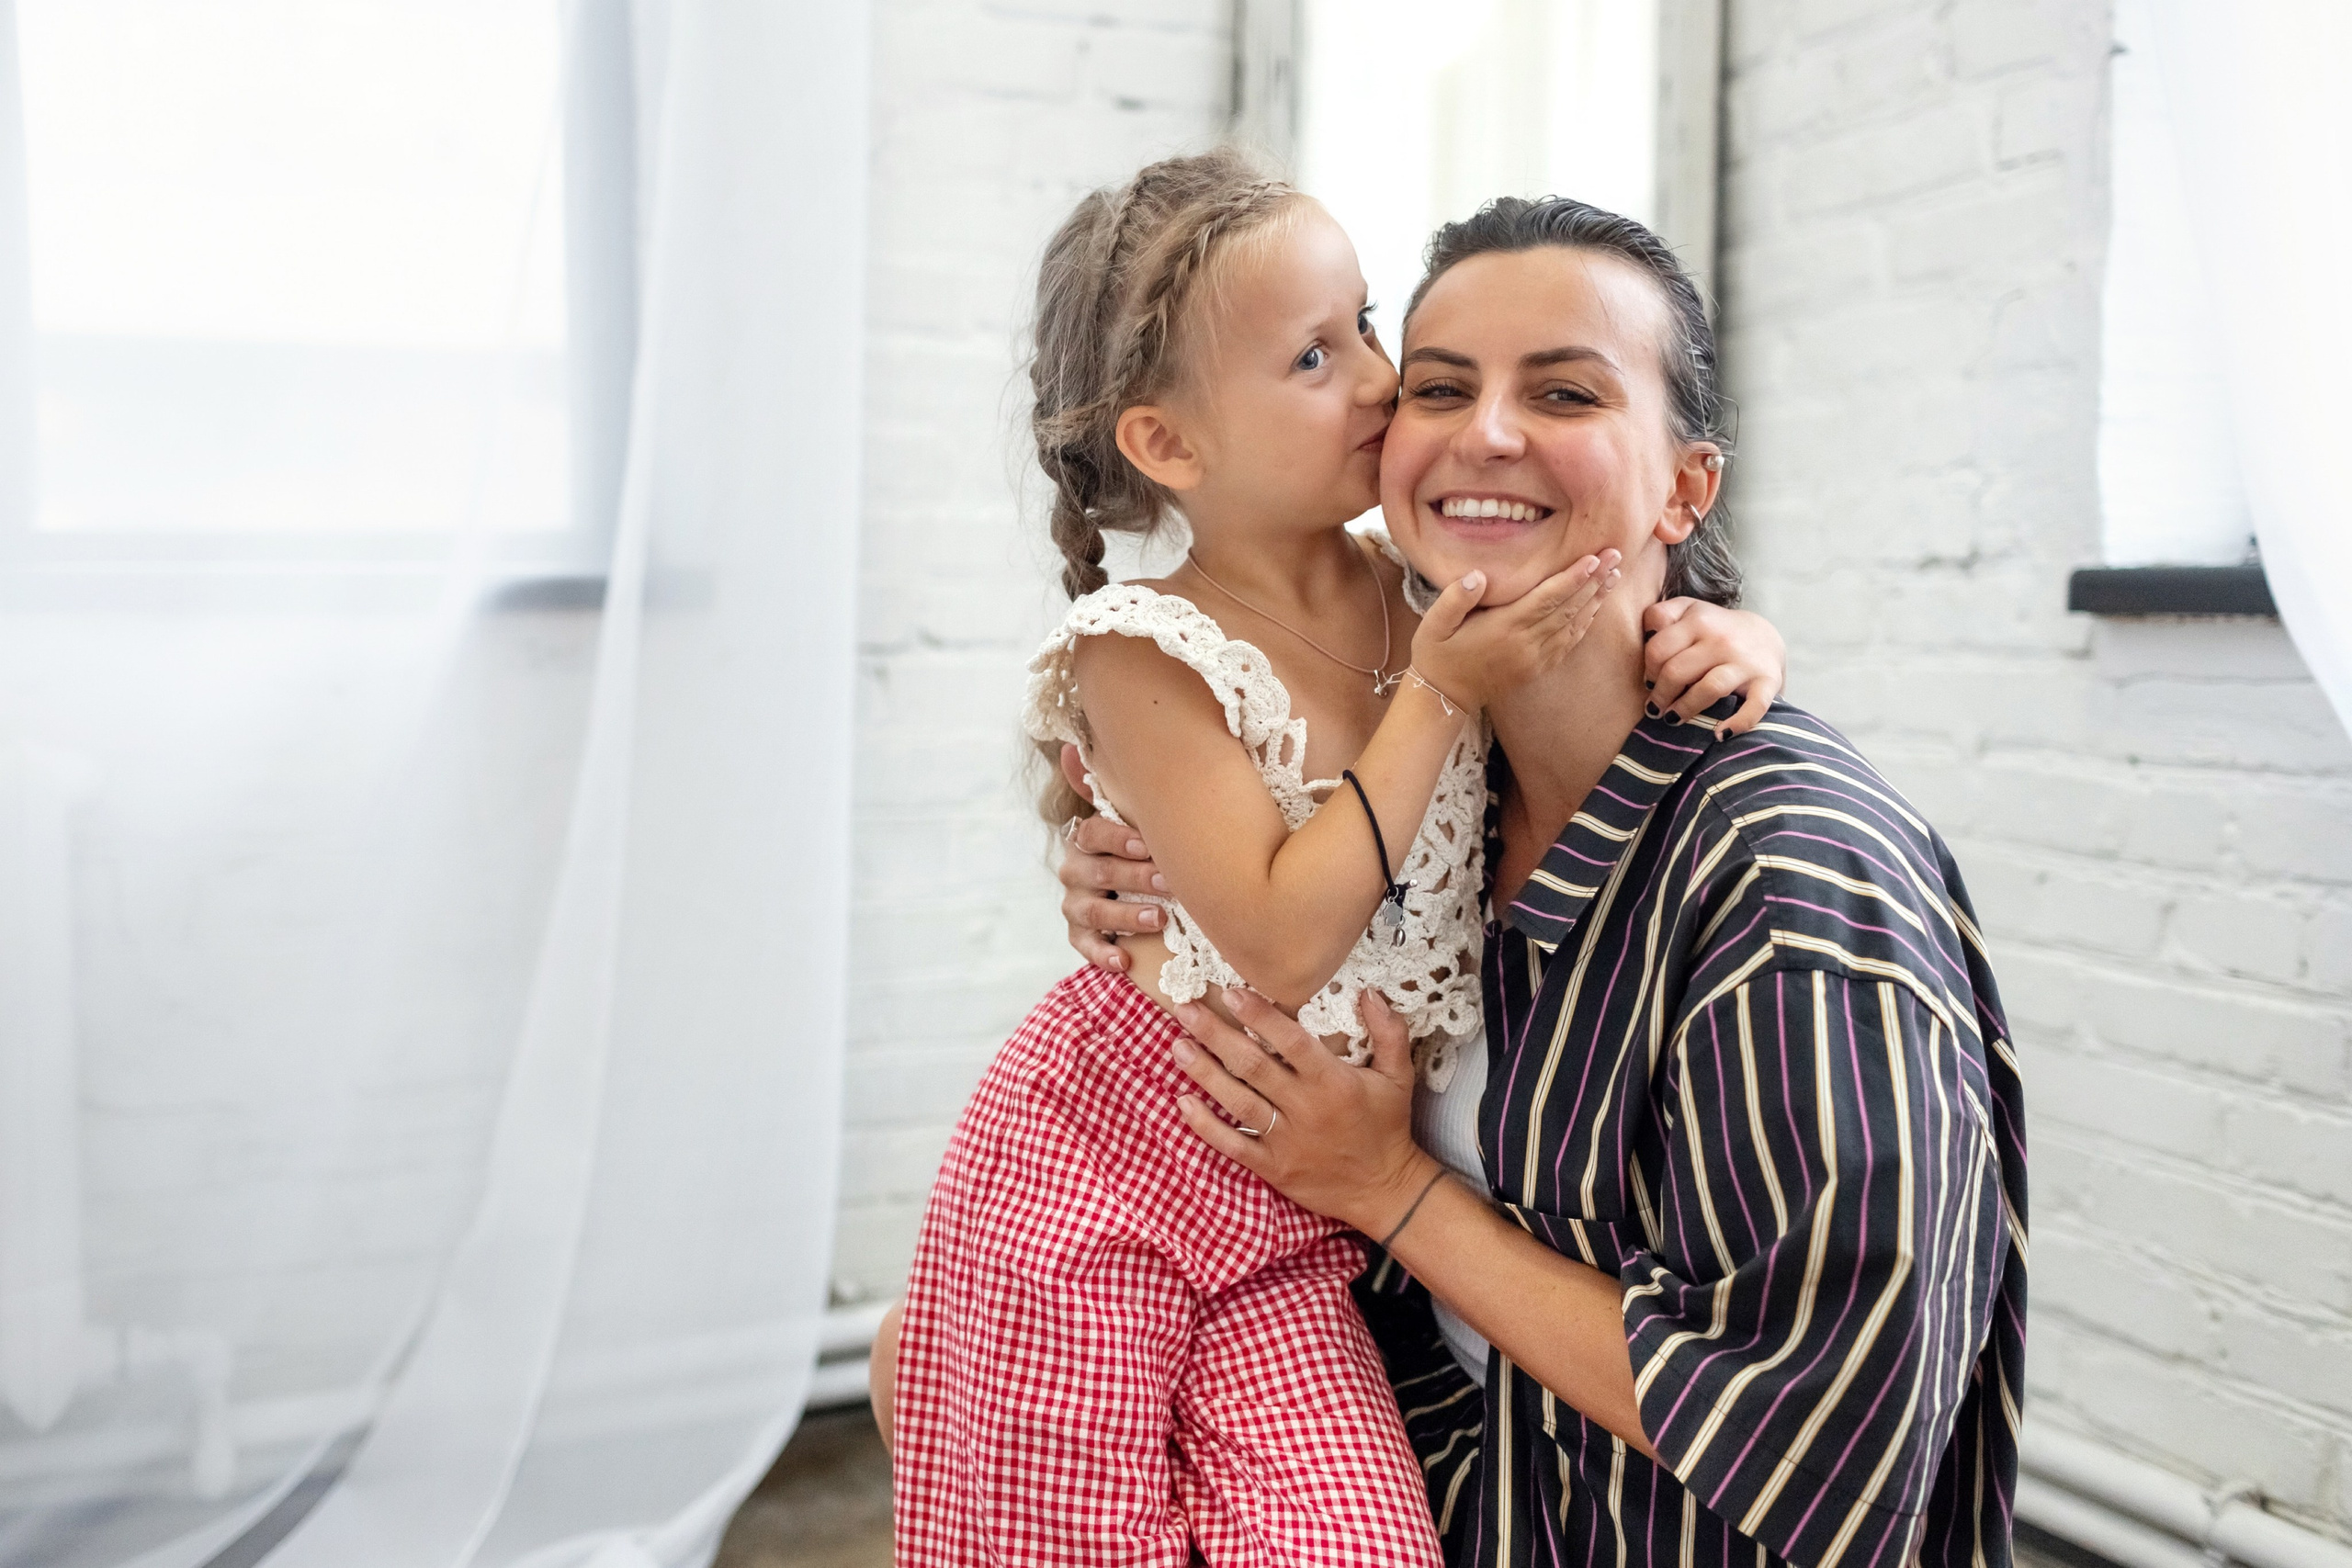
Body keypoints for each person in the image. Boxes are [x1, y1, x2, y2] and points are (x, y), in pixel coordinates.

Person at [1055, 197, 2028, 1568]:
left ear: (1688, 487)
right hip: (1426, 1465)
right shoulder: (1445, 772)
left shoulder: (1786, 884)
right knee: (934, 1361)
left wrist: (1386, 1185)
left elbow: (1827, 1432)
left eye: (1563, 391)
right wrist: (1132, 869)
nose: (1481, 432)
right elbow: (1272, 874)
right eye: (1439, 386)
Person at [885, 152, 1792, 1567]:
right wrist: (1435, 692)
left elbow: (1615, 581)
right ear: (1170, 447)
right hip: (1127, 1155)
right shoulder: (1144, 648)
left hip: (1305, 1200)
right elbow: (1282, 940)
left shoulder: (1419, 580)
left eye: (1368, 324)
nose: (1381, 381)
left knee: (1359, 1542)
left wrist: (1744, 640)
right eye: (1320, 355)